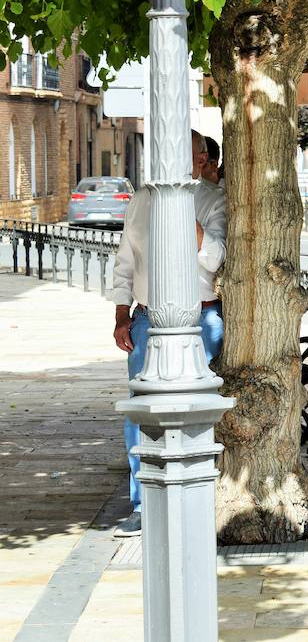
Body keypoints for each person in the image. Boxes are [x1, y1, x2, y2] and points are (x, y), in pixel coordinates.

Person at [110, 129, 226, 538]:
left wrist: (184, 212)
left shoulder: (215, 200)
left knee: (202, 409)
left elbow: (216, 258)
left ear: (200, 159)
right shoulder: (141, 200)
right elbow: (125, 262)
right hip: (146, 318)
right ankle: (142, 504)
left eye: (184, 153)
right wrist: (122, 314)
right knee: (141, 411)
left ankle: (201, 500)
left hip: (203, 317)